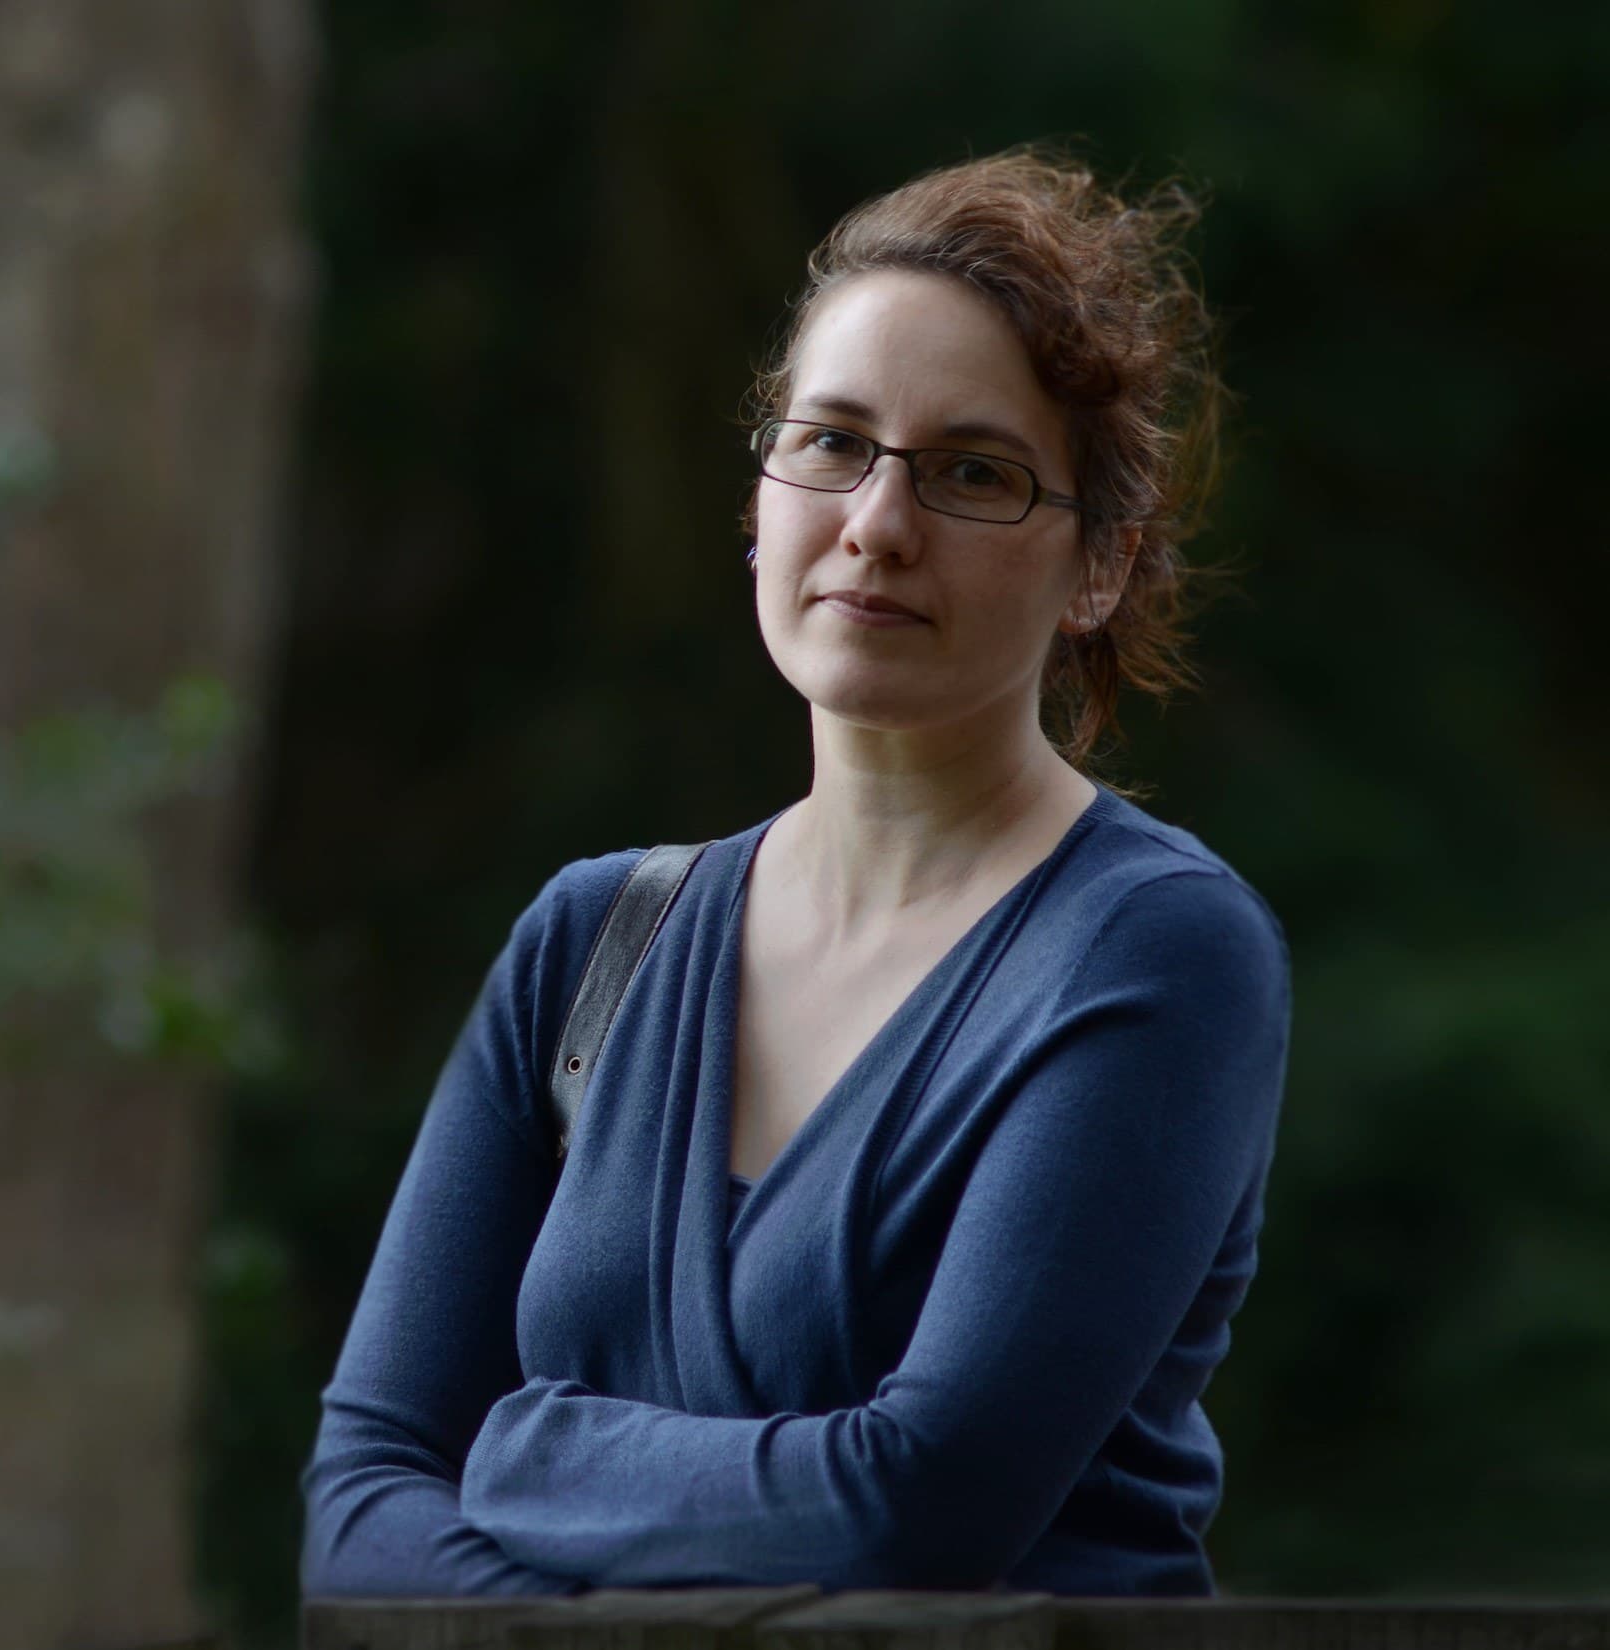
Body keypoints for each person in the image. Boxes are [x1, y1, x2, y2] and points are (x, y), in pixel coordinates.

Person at [297, 148, 1292, 1599]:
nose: (878, 525)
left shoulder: (1154, 948)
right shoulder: (593, 941)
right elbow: (363, 1495)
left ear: (1098, 566)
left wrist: (521, 1450)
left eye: (971, 471)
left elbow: (919, 1504)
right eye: (830, 443)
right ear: (761, 500)